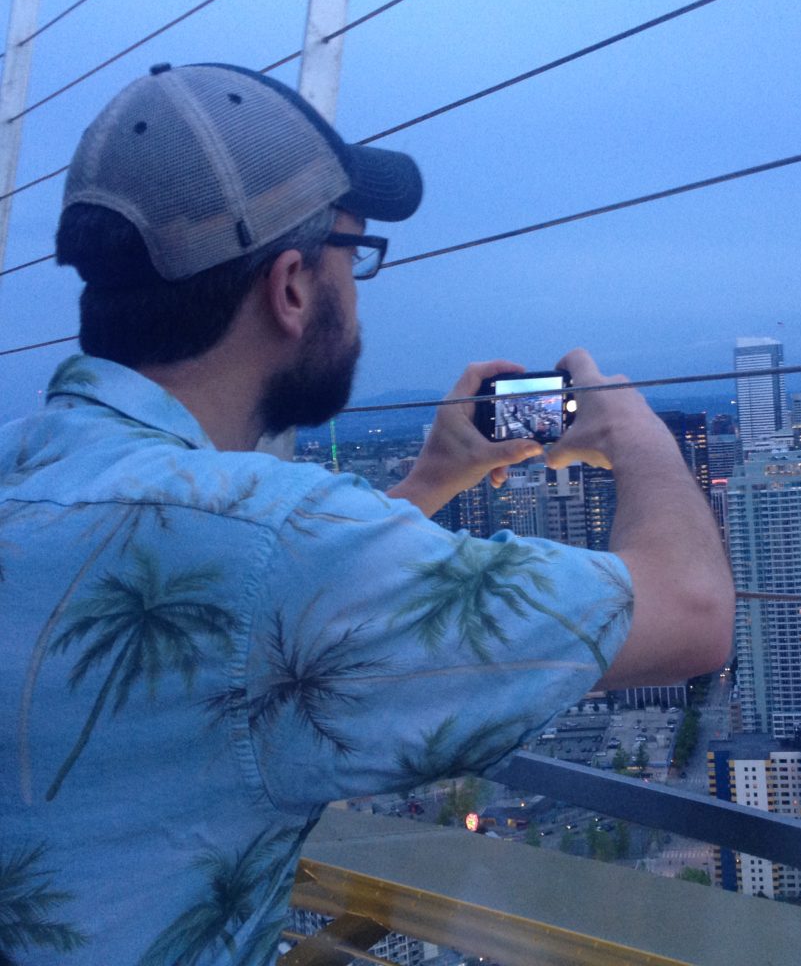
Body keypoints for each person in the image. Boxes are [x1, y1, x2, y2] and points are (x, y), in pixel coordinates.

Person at [0, 63, 732, 966]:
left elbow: (248, 622)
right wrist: (635, 426)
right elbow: (692, 613)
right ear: (293, 288)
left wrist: (427, 482)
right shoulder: (280, 544)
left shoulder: (25, 469)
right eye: (355, 255)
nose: (357, 288)